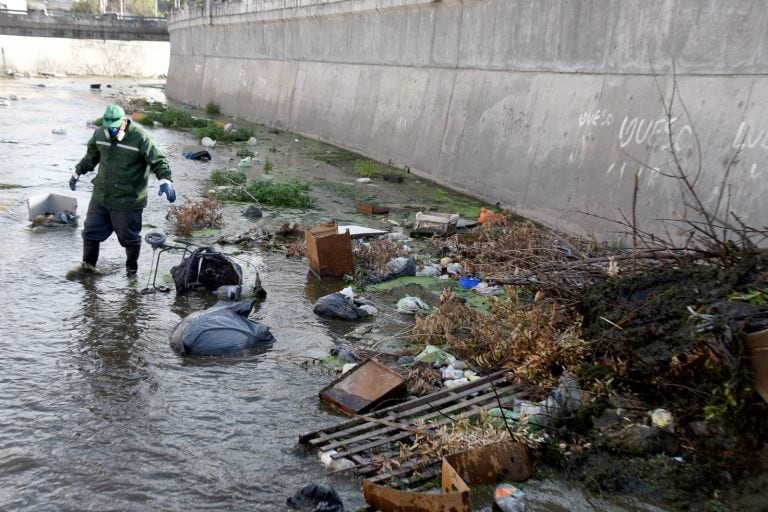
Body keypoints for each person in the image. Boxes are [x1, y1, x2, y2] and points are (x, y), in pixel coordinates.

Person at [69, 104, 176, 276]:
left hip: (128, 200)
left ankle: (131, 271)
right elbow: (91, 157)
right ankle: (88, 269)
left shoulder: (140, 137)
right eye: (108, 127)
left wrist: (165, 180)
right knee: (90, 233)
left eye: (114, 127)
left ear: (123, 122)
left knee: (129, 239)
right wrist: (77, 172)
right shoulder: (99, 134)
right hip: (101, 196)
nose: (111, 131)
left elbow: (158, 161)